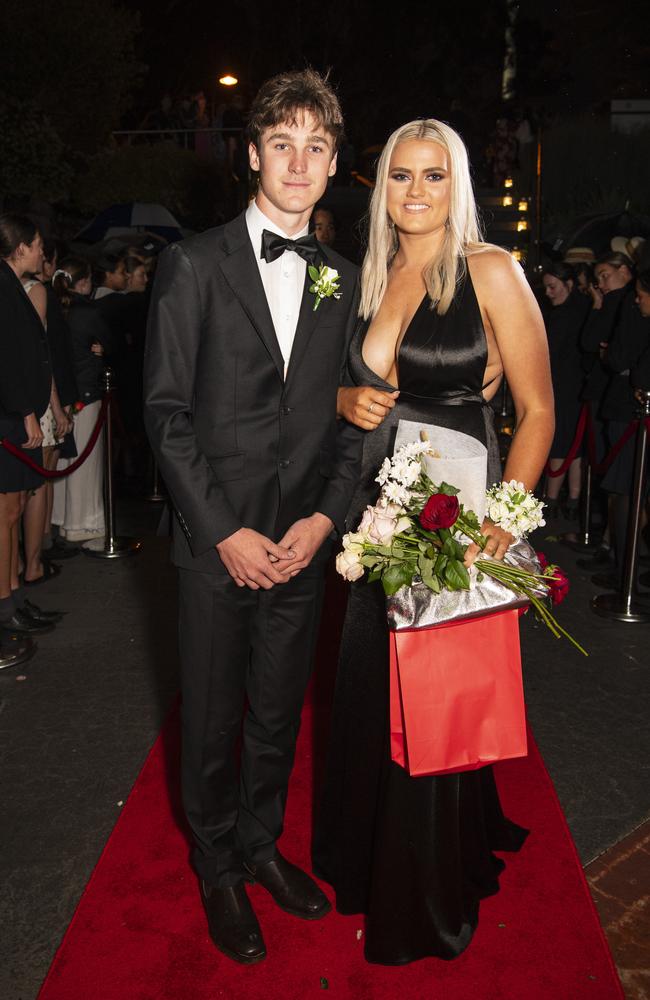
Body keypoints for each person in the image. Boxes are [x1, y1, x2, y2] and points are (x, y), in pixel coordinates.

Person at [312, 118, 554, 965]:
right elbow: (350, 385)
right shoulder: (369, 277)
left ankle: (423, 895)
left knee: (434, 705)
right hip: (373, 518)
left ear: (460, 187)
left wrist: (500, 520)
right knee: (373, 692)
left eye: (435, 176)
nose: (416, 192)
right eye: (402, 176)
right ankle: (366, 857)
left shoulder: (492, 271)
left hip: (448, 517)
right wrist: (346, 401)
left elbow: (538, 411)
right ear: (382, 187)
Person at [143, 69, 362, 965]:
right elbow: (164, 413)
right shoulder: (192, 264)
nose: (300, 161)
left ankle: (262, 845)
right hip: (216, 542)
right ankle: (216, 866)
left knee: (277, 710)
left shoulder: (346, 280)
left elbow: (358, 414)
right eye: (284, 143)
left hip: (301, 541)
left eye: (317, 146)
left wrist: (323, 520)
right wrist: (222, 531)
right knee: (210, 717)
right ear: (253, 154)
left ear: (336, 160)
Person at [0, 215, 61, 648]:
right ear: (20, 246)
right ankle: (5, 604)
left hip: (17, 413)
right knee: (5, 516)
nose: (42, 253)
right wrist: (23, 410)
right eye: (37, 245)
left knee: (15, 510)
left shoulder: (11, 284)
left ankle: (15, 595)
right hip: (8, 416)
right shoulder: (3, 286)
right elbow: (6, 355)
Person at [51, 257, 107, 544]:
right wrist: (102, 350)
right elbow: (111, 343)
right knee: (85, 462)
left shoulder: (55, 306)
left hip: (60, 394)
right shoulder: (86, 310)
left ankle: (61, 517)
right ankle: (82, 523)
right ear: (84, 283)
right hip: (85, 392)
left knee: (64, 460)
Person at [541, 262, 591, 518]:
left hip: (562, 387)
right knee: (576, 445)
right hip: (578, 386)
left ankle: (551, 500)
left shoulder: (564, 314)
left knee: (561, 442)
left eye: (553, 287)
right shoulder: (583, 308)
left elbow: (550, 354)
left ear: (568, 284)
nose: (549, 293)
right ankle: (573, 498)